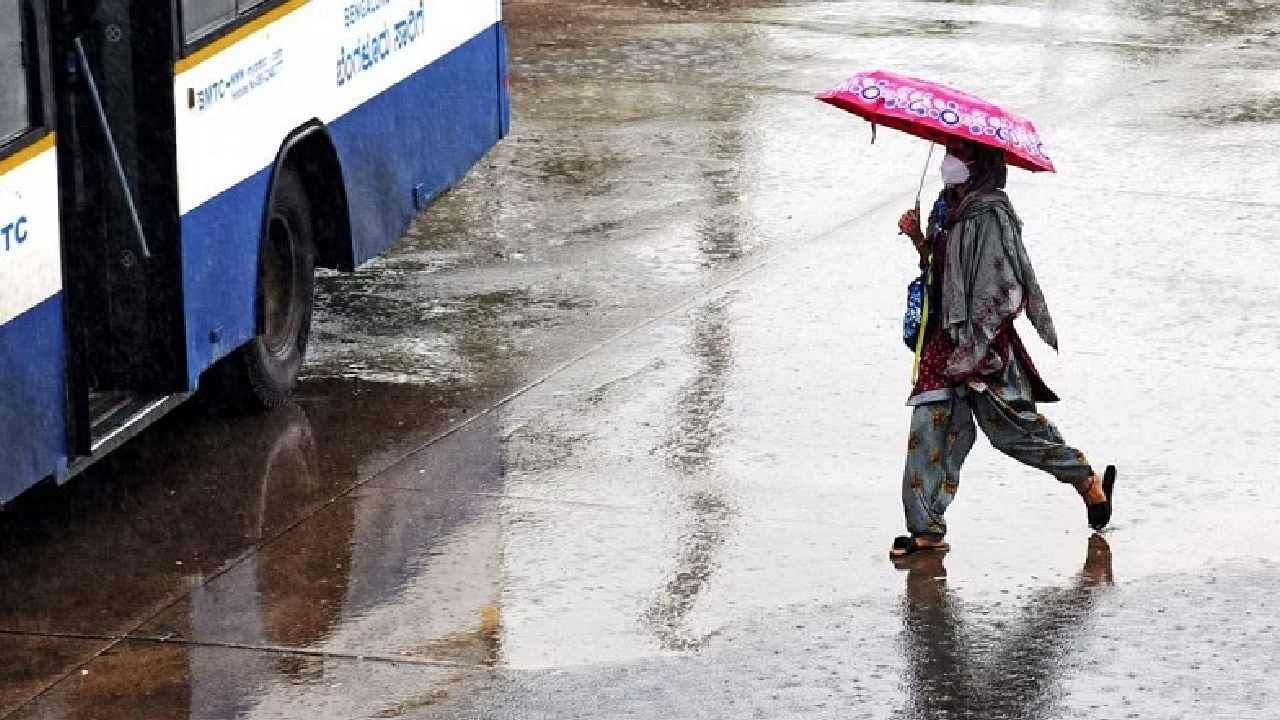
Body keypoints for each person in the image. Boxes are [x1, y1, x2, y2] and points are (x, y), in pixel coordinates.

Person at [889, 139, 1115, 559]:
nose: (949, 163)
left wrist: (977, 343)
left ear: (979, 164)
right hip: (944, 343)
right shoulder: (948, 206)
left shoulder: (991, 213)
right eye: (950, 153)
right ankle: (926, 529)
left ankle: (1085, 478)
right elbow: (942, 273)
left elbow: (999, 284)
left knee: (1014, 432)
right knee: (929, 429)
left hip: (982, 345)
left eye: (959, 155)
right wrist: (919, 238)